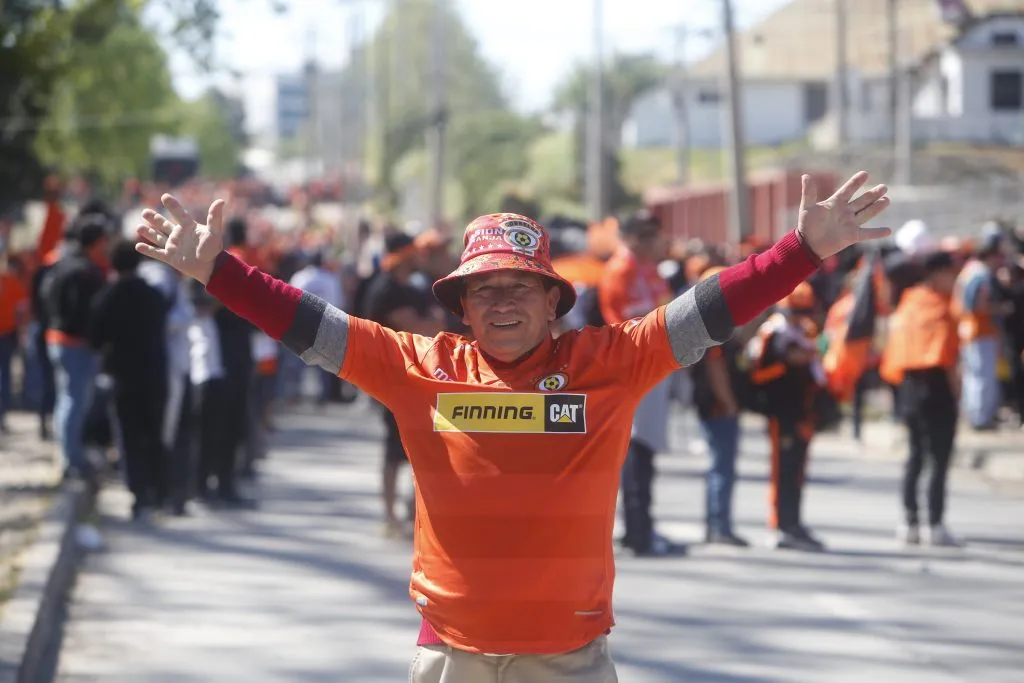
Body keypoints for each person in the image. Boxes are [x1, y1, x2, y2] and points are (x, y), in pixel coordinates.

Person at [135, 172, 889, 681]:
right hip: (451, 658)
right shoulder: (415, 365)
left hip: (569, 659)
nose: (501, 302)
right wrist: (220, 274)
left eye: (521, 287)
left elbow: (710, 308)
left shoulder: (613, 362)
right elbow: (310, 324)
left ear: (554, 300)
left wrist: (802, 252)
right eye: (484, 288)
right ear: (460, 307)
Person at [598, 210, 681, 557]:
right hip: (631, 365)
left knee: (646, 450)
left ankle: (643, 525)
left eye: (654, 234)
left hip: (653, 364)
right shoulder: (621, 269)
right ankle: (637, 530)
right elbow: (626, 320)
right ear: (629, 237)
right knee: (636, 448)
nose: (651, 241)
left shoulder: (649, 269)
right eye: (644, 235)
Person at [880, 250, 961, 547]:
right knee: (938, 459)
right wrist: (958, 394)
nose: (954, 280)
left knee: (915, 456)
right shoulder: (941, 306)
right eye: (951, 274)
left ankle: (910, 521)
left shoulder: (908, 302)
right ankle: (935, 524)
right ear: (937, 274)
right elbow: (948, 358)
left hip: (909, 389)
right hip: (936, 387)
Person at [89, 239, 169, 519]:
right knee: (154, 430)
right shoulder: (154, 296)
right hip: (155, 372)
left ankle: (139, 494)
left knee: (128, 434)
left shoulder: (106, 297)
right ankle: (160, 489)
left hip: (122, 375)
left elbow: (96, 340)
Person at [747, 282, 828, 552]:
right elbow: (756, 374)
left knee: (798, 470)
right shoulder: (772, 332)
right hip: (780, 411)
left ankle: (794, 522)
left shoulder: (806, 331)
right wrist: (786, 363)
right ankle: (779, 524)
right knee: (782, 469)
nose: (800, 318)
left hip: (803, 410)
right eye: (795, 312)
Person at [689, 265, 748, 547]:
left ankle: (718, 524)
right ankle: (718, 526)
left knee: (722, 466)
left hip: (715, 404)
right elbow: (716, 369)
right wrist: (729, 403)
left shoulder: (712, 323)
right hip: (717, 406)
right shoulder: (712, 327)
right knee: (722, 466)